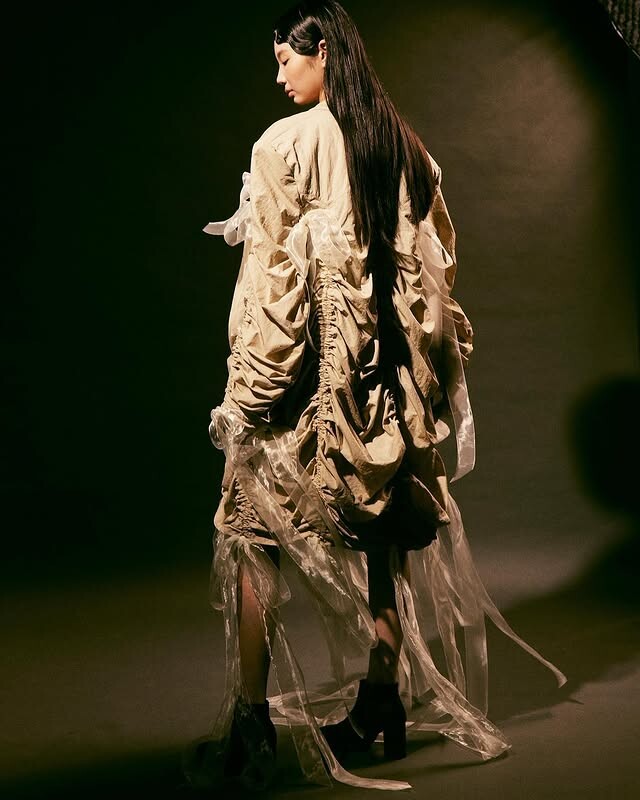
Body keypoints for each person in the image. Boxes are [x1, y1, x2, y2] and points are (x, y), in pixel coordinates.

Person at [181, 0, 567, 792]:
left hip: (302, 390)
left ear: (321, 50)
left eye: (286, 58)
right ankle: (382, 698)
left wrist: (248, 401)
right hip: (380, 388)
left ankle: (251, 728)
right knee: (382, 530)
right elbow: (434, 279)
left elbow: (272, 295)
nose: (278, 75)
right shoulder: (405, 147)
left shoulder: (283, 144)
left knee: (251, 533)